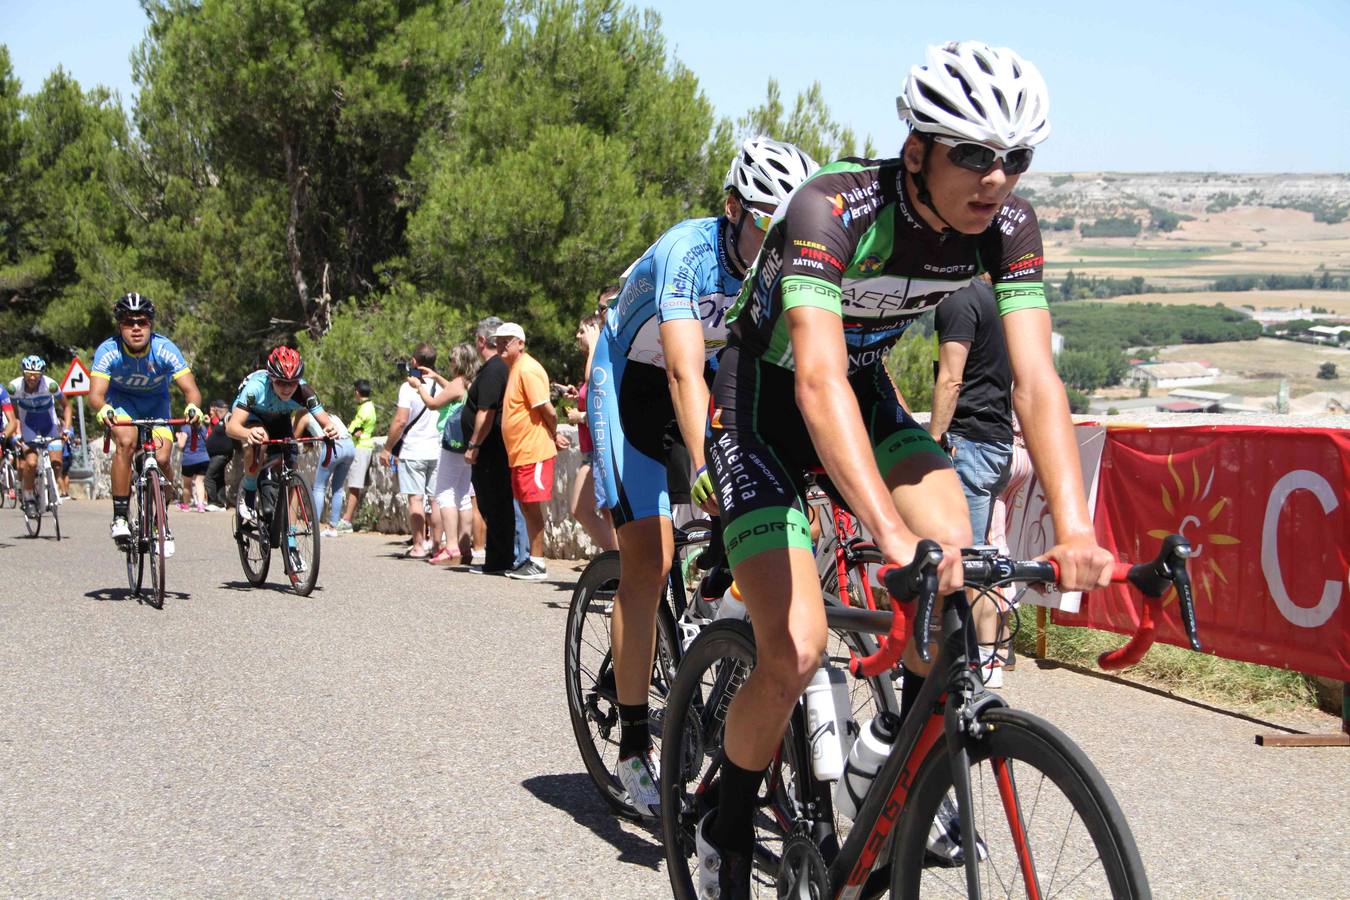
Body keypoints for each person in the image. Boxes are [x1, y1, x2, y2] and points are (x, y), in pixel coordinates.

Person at [696, 42, 1115, 894]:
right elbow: (812, 377)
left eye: (1015, 160)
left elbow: (1036, 379)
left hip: (864, 394)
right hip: (764, 404)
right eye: (972, 155)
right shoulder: (831, 207)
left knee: (957, 561)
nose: (996, 180)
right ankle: (725, 821)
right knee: (797, 650)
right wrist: (888, 536)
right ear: (917, 150)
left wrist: (1075, 528)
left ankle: (882, 758)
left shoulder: (1007, 227)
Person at [586, 136, 819, 818]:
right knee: (650, 558)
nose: (782, 239)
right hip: (632, 383)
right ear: (732, 209)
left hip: (705, 383)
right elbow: (685, 371)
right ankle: (632, 744)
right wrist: (709, 461)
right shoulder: (690, 251)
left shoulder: (782, 266)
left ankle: (710, 629)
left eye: (792, 227)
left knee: (760, 518)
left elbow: (793, 373)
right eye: (767, 223)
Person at [930, 276, 1015, 687]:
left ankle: (981, 661)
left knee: (966, 561)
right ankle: (985, 653)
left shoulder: (959, 298)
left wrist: (931, 439)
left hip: (969, 442)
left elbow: (951, 377)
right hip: (998, 441)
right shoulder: (997, 301)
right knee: (982, 554)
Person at [88, 293, 204, 557]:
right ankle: (120, 517)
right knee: (126, 442)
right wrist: (103, 408)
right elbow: (95, 394)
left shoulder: (165, 349)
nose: (136, 328)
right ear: (120, 326)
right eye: (129, 322)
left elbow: (191, 390)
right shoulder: (109, 350)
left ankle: (160, 520)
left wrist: (192, 407)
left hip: (156, 405)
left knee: (163, 460)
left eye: (142, 321)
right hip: (122, 404)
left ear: (151, 324)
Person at [225, 346, 339, 527]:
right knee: (261, 438)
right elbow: (232, 427)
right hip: (253, 417)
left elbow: (326, 423)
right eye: (280, 383)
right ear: (271, 379)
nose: (287, 389)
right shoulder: (256, 388)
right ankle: (249, 491)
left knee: (291, 473)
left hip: (280, 418)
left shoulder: (304, 392)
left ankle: (292, 540)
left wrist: (330, 430)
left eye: (292, 383)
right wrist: (248, 433)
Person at [497, 322, 569, 581]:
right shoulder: (516, 369)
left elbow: (546, 409)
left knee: (531, 506)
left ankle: (537, 562)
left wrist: (553, 433)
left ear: (520, 343)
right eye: (498, 341)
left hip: (533, 450)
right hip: (521, 452)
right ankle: (531, 559)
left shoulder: (527, 369)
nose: (501, 345)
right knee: (527, 507)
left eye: (507, 340)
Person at [411, 342, 478, 565]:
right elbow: (453, 390)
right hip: (466, 444)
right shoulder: (470, 382)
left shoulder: (458, 383)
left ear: (457, 362)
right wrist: (436, 377)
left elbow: (432, 404)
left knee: (445, 493)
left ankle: (450, 546)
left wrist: (418, 386)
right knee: (463, 494)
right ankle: (465, 546)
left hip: (451, 443)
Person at [462, 316, 517, 574]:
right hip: (494, 449)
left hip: (490, 451)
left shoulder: (494, 369)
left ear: (482, 340)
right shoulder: (499, 367)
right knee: (493, 504)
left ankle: (498, 561)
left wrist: (473, 444)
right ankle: (499, 558)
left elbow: (487, 412)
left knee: (494, 504)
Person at [380, 343, 443, 559]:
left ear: (414, 362)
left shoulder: (409, 388)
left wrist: (387, 448)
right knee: (435, 500)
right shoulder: (443, 386)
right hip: (436, 450)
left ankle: (418, 545)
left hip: (413, 450)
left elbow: (400, 420)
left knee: (416, 499)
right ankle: (436, 546)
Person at [565, 304, 617, 553]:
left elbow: (594, 381)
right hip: (590, 449)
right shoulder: (594, 359)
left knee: (609, 511)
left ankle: (619, 566)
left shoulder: (599, 356)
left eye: (582, 331)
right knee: (582, 508)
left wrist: (581, 416)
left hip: (599, 448)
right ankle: (614, 562)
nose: (578, 336)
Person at [7, 356, 73, 516]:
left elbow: (67, 406)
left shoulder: (50, 385)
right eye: (29, 373)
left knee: (57, 463)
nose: (32, 377)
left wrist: (67, 429)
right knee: (31, 463)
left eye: (36, 374)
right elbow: (13, 413)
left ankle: (52, 488)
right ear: (23, 373)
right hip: (28, 425)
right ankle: (29, 497)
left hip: (49, 424)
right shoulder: (14, 388)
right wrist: (17, 433)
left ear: (42, 374)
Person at [297, 410, 354, 537]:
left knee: (319, 487)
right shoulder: (330, 415)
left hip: (333, 445)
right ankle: (333, 527)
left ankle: (314, 527)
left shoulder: (304, 415)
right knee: (338, 487)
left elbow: (294, 436)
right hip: (350, 446)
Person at [338, 380, 377, 532]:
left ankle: (347, 519)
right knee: (355, 484)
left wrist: (347, 433)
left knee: (354, 484)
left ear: (357, 392)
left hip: (361, 448)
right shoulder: (369, 407)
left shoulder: (365, 409)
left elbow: (354, 428)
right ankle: (348, 518)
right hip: (363, 447)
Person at [202, 400, 235, 510]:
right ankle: (221, 503)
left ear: (217, 409)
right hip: (217, 455)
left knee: (209, 478)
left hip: (222, 454)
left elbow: (233, 431)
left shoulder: (228, 418)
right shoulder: (220, 421)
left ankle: (214, 502)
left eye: (214, 409)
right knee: (219, 479)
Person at [175, 421, 210, 512]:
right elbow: (207, 439)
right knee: (199, 482)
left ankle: (186, 505)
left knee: (187, 484)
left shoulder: (185, 428)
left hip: (189, 459)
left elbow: (181, 445)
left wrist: (179, 437)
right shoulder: (203, 428)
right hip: (203, 458)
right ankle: (201, 505)